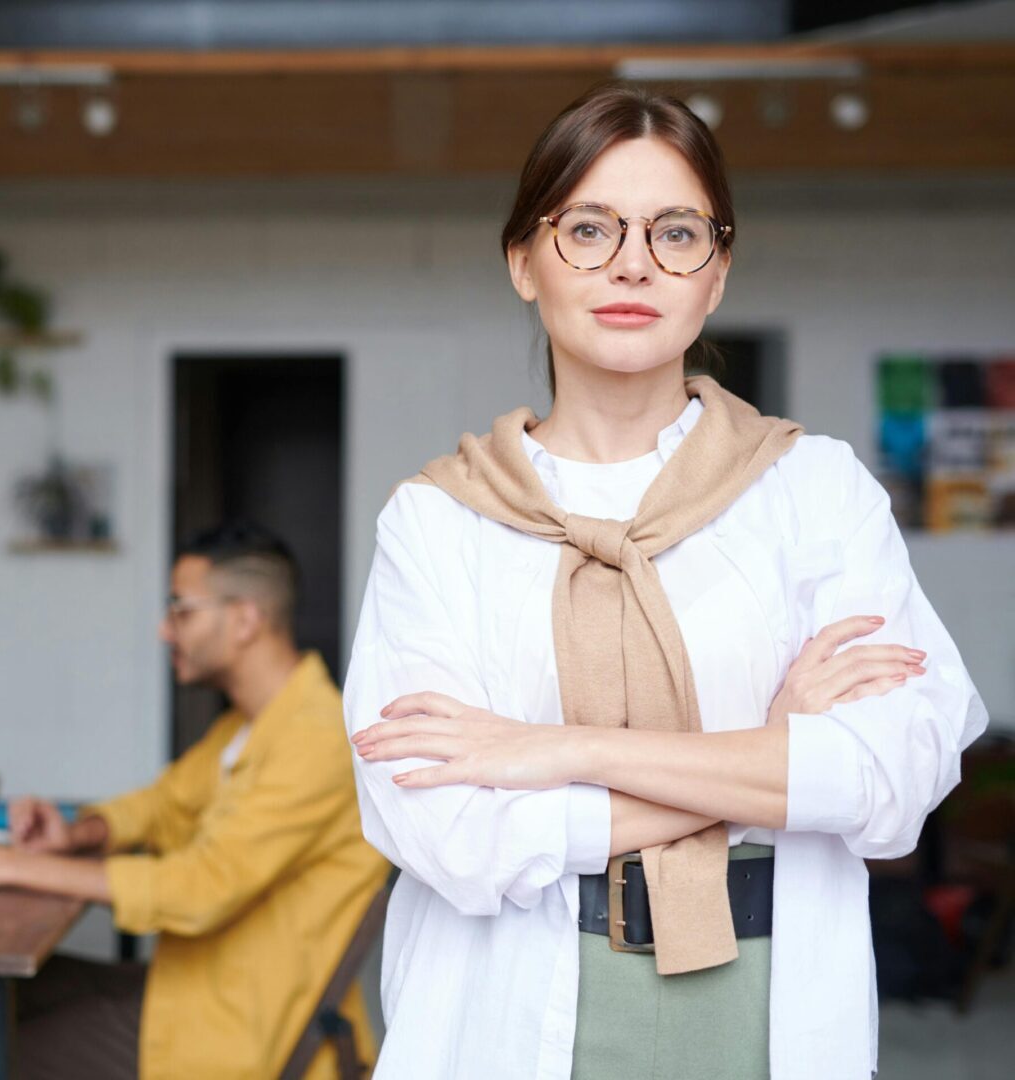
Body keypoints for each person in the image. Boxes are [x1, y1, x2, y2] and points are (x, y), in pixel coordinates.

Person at [342, 85, 988, 1080]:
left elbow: (890, 779)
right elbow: (453, 835)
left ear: (717, 270)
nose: (634, 262)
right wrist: (769, 763)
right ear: (524, 260)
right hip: (509, 1015)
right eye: (590, 229)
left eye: (676, 231)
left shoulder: (813, 492)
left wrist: (547, 751)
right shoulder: (439, 523)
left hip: (769, 1009)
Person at [0, 522, 390, 1080]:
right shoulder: (248, 728)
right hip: (196, 984)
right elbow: (161, 806)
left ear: (245, 619)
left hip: (240, 1029)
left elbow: (197, 890)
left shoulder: (315, 738)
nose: (164, 630)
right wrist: (79, 833)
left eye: (181, 610)